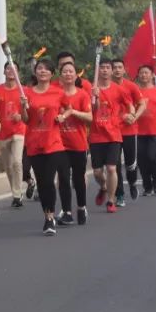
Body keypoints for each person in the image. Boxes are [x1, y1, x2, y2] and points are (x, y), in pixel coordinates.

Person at [21, 58, 68, 236]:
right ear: (35, 72)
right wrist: (23, 106)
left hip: (53, 143)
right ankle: (47, 214)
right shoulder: (27, 93)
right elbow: (25, 119)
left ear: (51, 74)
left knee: (48, 180)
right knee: (42, 183)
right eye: (39, 68)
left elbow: (68, 108)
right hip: (34, 142)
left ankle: (50, 218)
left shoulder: (58, 92)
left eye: (46, 69)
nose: (42, 71)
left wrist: (63, 116)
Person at [89, 58, 135, 214]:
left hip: (114, 134)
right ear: (99, 70)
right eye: (102, 67)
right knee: (97, 172)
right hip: (96, 134)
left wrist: (130, 115)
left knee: (111, 168)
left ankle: (111, 200)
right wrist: (93, 97)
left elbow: (130, 105)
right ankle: (103, 187)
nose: (105, 70)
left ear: (111, 70)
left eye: (108, 67)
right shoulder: (92, 89)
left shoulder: (119, 89)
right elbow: (90, 110)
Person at [56, 61, 92, 225]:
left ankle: (81, 206)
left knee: (78, 178)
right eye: (65, 71)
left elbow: (90, 118)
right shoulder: (55, 94)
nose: (68, 74)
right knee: (63, 177)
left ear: (76, 75)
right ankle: (67, 212)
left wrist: (71, 112)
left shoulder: (82, 95)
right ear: (60, 75)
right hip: (59, 143)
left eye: (71, 71)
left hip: (78, 142)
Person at [112, 58, 146, 206]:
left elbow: (142, 104)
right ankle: (120, 194)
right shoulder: (106, 87)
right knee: (115, 165)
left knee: (131, 163)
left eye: (120, 67)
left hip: (130, 130)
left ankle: (132, 182)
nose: (117, 70)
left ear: (124, 70)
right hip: (113, 131)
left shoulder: (131, 86)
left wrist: (134, 117)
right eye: (114, 67)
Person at [0, 62, 27, 208]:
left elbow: (29, 112)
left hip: (19, 130)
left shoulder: (23, 91)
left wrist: (21, 114)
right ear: (4, 72)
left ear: (17, 73)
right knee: (7, 166)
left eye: (14, 69)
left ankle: (17, 195)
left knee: (17, 162)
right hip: (2, 132)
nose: (11, 71)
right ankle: (15, 189)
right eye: (8, 69)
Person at [135, 65, 156, 196]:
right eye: (141, 73)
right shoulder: (135, 92)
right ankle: (147, 186)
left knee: (152, 157)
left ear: (152, 75)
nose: (144, 75)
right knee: (142, 160)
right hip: (138, 132)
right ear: (138, 75)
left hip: (155, 131)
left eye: (146, 73)